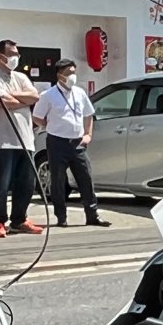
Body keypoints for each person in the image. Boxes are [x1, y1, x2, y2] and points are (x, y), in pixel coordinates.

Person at [33, 56, 109, 227]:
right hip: (57, 142)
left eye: (74, 72)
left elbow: (89, 114)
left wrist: (88, 134)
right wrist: (50, 126)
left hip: (77, 142)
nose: (72, 76)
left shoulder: (80, 92)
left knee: (85, 178)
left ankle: (92, 214)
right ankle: (61, 216)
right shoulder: (48, 95)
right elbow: (37, 117)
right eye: (69, 73)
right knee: (58, 180)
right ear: (60, 75)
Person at [0, 40, 42, 238]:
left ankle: (19, 219)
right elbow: (4, 101)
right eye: (13, 53)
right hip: (1, 140)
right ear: (1, 56)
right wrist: (22, 101)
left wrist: (16, 97)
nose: (17, 57)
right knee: (2, 184)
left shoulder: (21, 77)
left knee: (26, 183)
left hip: (25, 138)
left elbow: (35, 96)